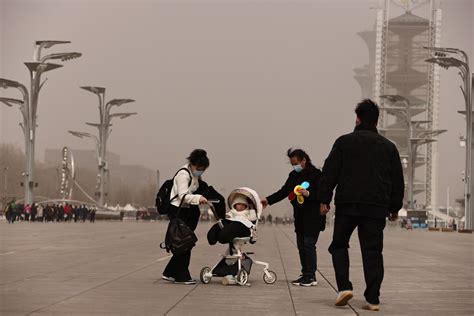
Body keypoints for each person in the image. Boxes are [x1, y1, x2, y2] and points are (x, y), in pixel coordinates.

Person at [319, 99, 404, 311]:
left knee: (339, 245)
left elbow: (330, 172)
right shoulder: (389, 147)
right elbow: (397, 180)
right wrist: (394, 208)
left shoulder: (343, 142)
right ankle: (373, 298)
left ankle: (344, 288)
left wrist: (324, 199)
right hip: (375, 208)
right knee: (372, 251)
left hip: (348, 205)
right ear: (376, 121)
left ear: (357, 118)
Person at [261, 149, 326, 287]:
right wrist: (268, 200)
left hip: (313, 216)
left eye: (296, 163)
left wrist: (308, 193)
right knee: (301, 245)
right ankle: (305, 273)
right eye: (292, 164)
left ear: (304, 161)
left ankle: (311, 276)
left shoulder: (316, 175)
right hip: (300, 217)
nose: (294, 166)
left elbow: (322, 194)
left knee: (309, 244)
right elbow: (284, 191)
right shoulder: (293, 175)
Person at [162, 149, 210, 285]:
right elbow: (183, 195)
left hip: (187, 210)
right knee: (184, 243)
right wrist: (198, 198)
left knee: (183, 241)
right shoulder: (183, 175)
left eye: (203, 169)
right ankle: (181, 275)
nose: (200, 171)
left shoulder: (193, 175)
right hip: (178, 210)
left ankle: (169, 272)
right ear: (192, 164)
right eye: (199, 168)